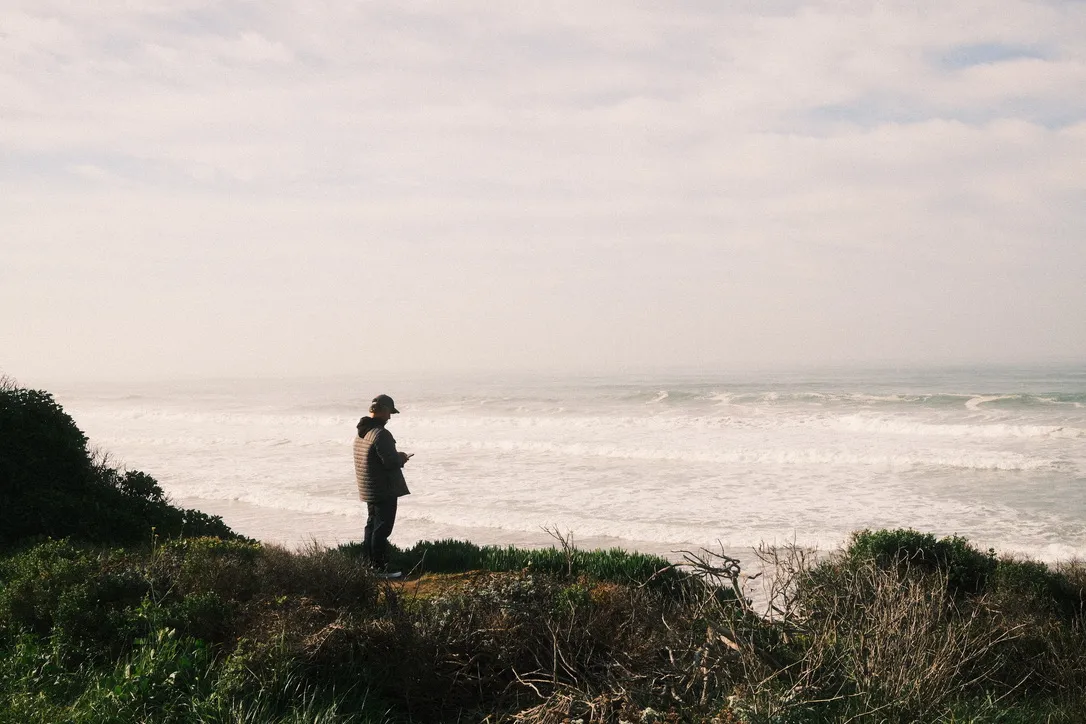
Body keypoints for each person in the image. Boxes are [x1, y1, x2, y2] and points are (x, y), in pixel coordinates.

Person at [354, 394, 411, 578]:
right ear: (383, 410)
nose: (390, 417)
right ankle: (379, 569)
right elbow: (390, 462)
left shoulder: (362, 432)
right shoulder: (381, 434)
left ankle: (368, 566)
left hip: (369, 487)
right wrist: (401, 458)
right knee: (382, 529)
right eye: (389, 413)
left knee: (372, 526)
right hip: (383, 488)